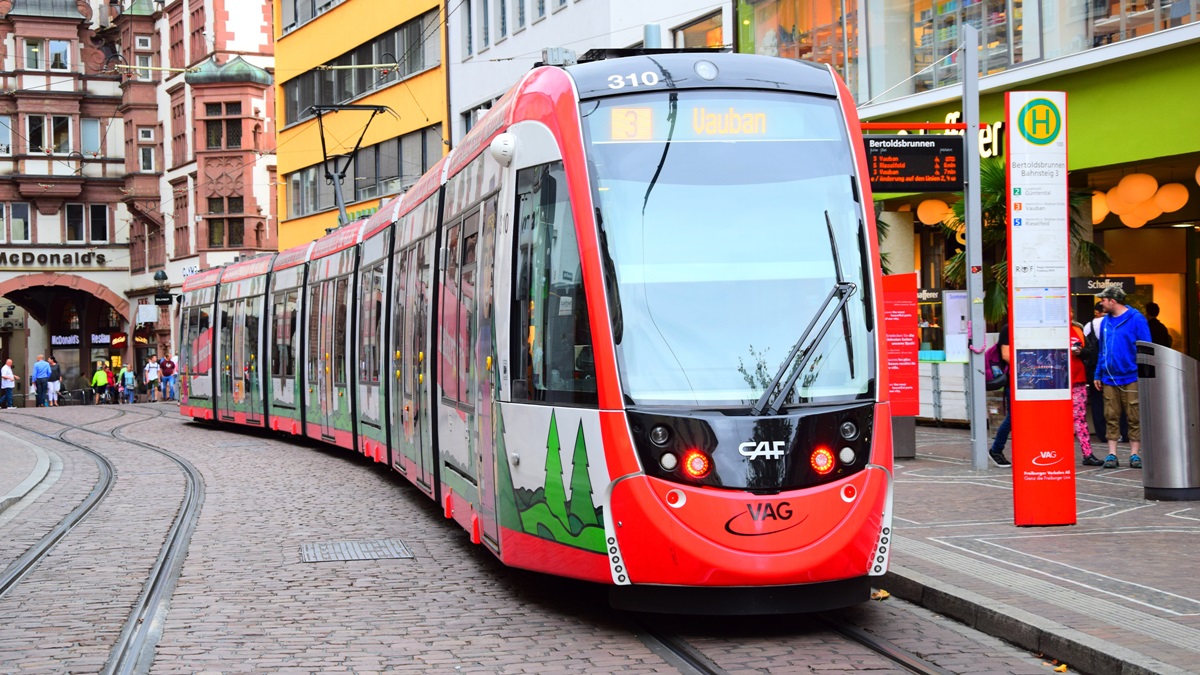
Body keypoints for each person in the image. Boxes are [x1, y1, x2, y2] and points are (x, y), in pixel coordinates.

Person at [1094, 285, 1151, 469]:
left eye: (1104, 299)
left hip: (1131, 375)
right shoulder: (1105, 322)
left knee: (1134, 415)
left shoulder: (1136, 319)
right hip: (1109, 377)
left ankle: (1135, 454)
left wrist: (1145, 373)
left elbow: (1146, 347)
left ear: (1113, 301)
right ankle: (1112, 454)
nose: (1101, 302)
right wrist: (1098, 372)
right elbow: (1102, 350)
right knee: (1110, 414)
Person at [1071, 311, 1102, 466]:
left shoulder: (1077, 329)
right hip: (1055, 381)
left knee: (1079, 418)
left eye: (1070, 310)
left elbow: (1091, 353)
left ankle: (1087, 454)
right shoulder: (1049, 331)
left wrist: (1080, 351)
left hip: (1077, 379)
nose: (1069, 313)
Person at [988, 324, 1013, 467]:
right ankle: (996, 449)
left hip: (1030, 379)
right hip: (1015, 379)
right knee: (1013, 416)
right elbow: (1006, 355)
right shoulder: (1008, 328)